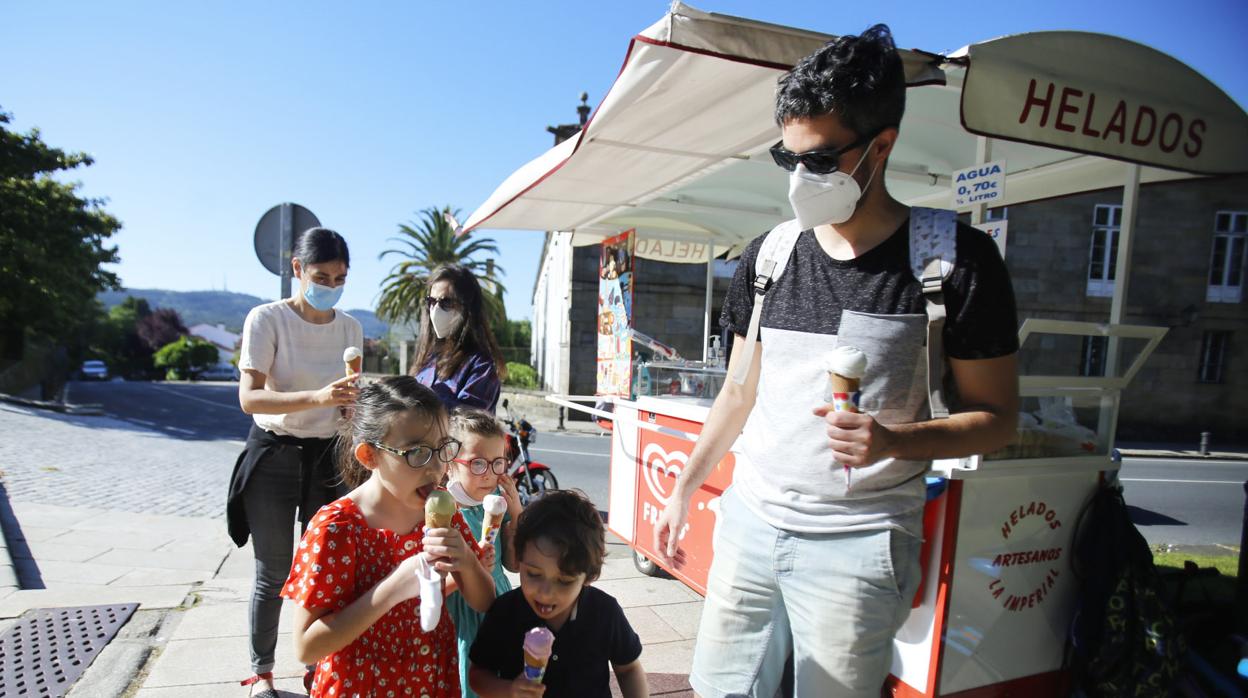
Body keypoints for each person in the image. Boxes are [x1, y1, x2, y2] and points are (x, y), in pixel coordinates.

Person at [652, 25, 1020, 697]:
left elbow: (996, 421)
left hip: (862, 539)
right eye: (786, 158)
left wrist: (893, 440)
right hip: (751, 521)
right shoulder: (768, 256)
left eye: (819, 160)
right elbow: (737, 393)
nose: (800, 179)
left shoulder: (952, 262)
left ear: (882, 145)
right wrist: (683, 491)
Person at [283, 376, 496, 697]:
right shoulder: (337, 527)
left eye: (442, 449)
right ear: (369, 455)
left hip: (430, 678)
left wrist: (467, 561)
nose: (435, 467)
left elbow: (484, 601)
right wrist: (393, 589)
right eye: (416, 453)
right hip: (360, 684)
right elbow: (306, 647)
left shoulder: (445, 511)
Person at [228, 227, 364, 697]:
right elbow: (250, 398)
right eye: (322, 275)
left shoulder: (350, 328)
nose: (331, 285)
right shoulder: (266, 319)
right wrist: (318, 396)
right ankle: (261, 673)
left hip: (328, 455)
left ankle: (318, 665)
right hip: (274, 452)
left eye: (340, 277)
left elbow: (346, 406)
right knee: (274, 569)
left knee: (323, 570)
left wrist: (350, 406)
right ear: (297, 271)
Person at [468, 490, 648, 698]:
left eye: (564, 581)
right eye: (533, 574)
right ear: (519, 560)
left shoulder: (604, 612)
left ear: (588, 576)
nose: (546, 593)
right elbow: (478, 674)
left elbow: (628, 670)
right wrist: (509, 690)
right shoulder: (505, 611)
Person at [444, 408, 525, 698]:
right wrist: (470, 566)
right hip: (460, 615)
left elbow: (513, 564)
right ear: (450, 463)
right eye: (477, 464)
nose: (489, 475)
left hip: (499, 605)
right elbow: (429, 586)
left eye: (498, 463)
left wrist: (516, 514)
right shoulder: (443, 513)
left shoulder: (496, 503)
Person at [413, 264, 506, 413]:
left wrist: (425, 400)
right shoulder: (429, 358)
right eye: (432, 302)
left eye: (446, 302)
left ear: (467, 308)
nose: (436, 310)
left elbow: (469, 421)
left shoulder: (482, 366)